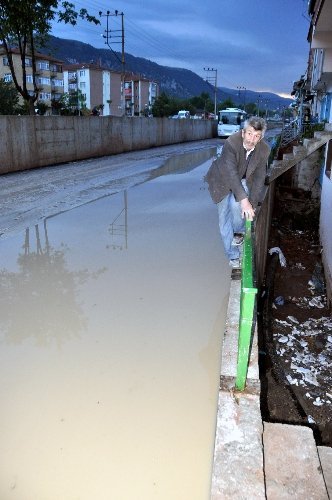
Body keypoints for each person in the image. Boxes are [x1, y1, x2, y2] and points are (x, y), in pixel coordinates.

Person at [205, 116, 270, 268]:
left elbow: (260, 177)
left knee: (238, 207)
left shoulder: (264, 150)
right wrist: (244, 201)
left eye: (256, 136)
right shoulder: (231, 143)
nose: (251, 139)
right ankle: (232, 255)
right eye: (249, 134)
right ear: (243, 132)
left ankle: (238, 233)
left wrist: (251, 203)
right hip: (221, 178)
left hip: (242, 179)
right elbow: (231, 174)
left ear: (260, 138)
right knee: (224, 219)